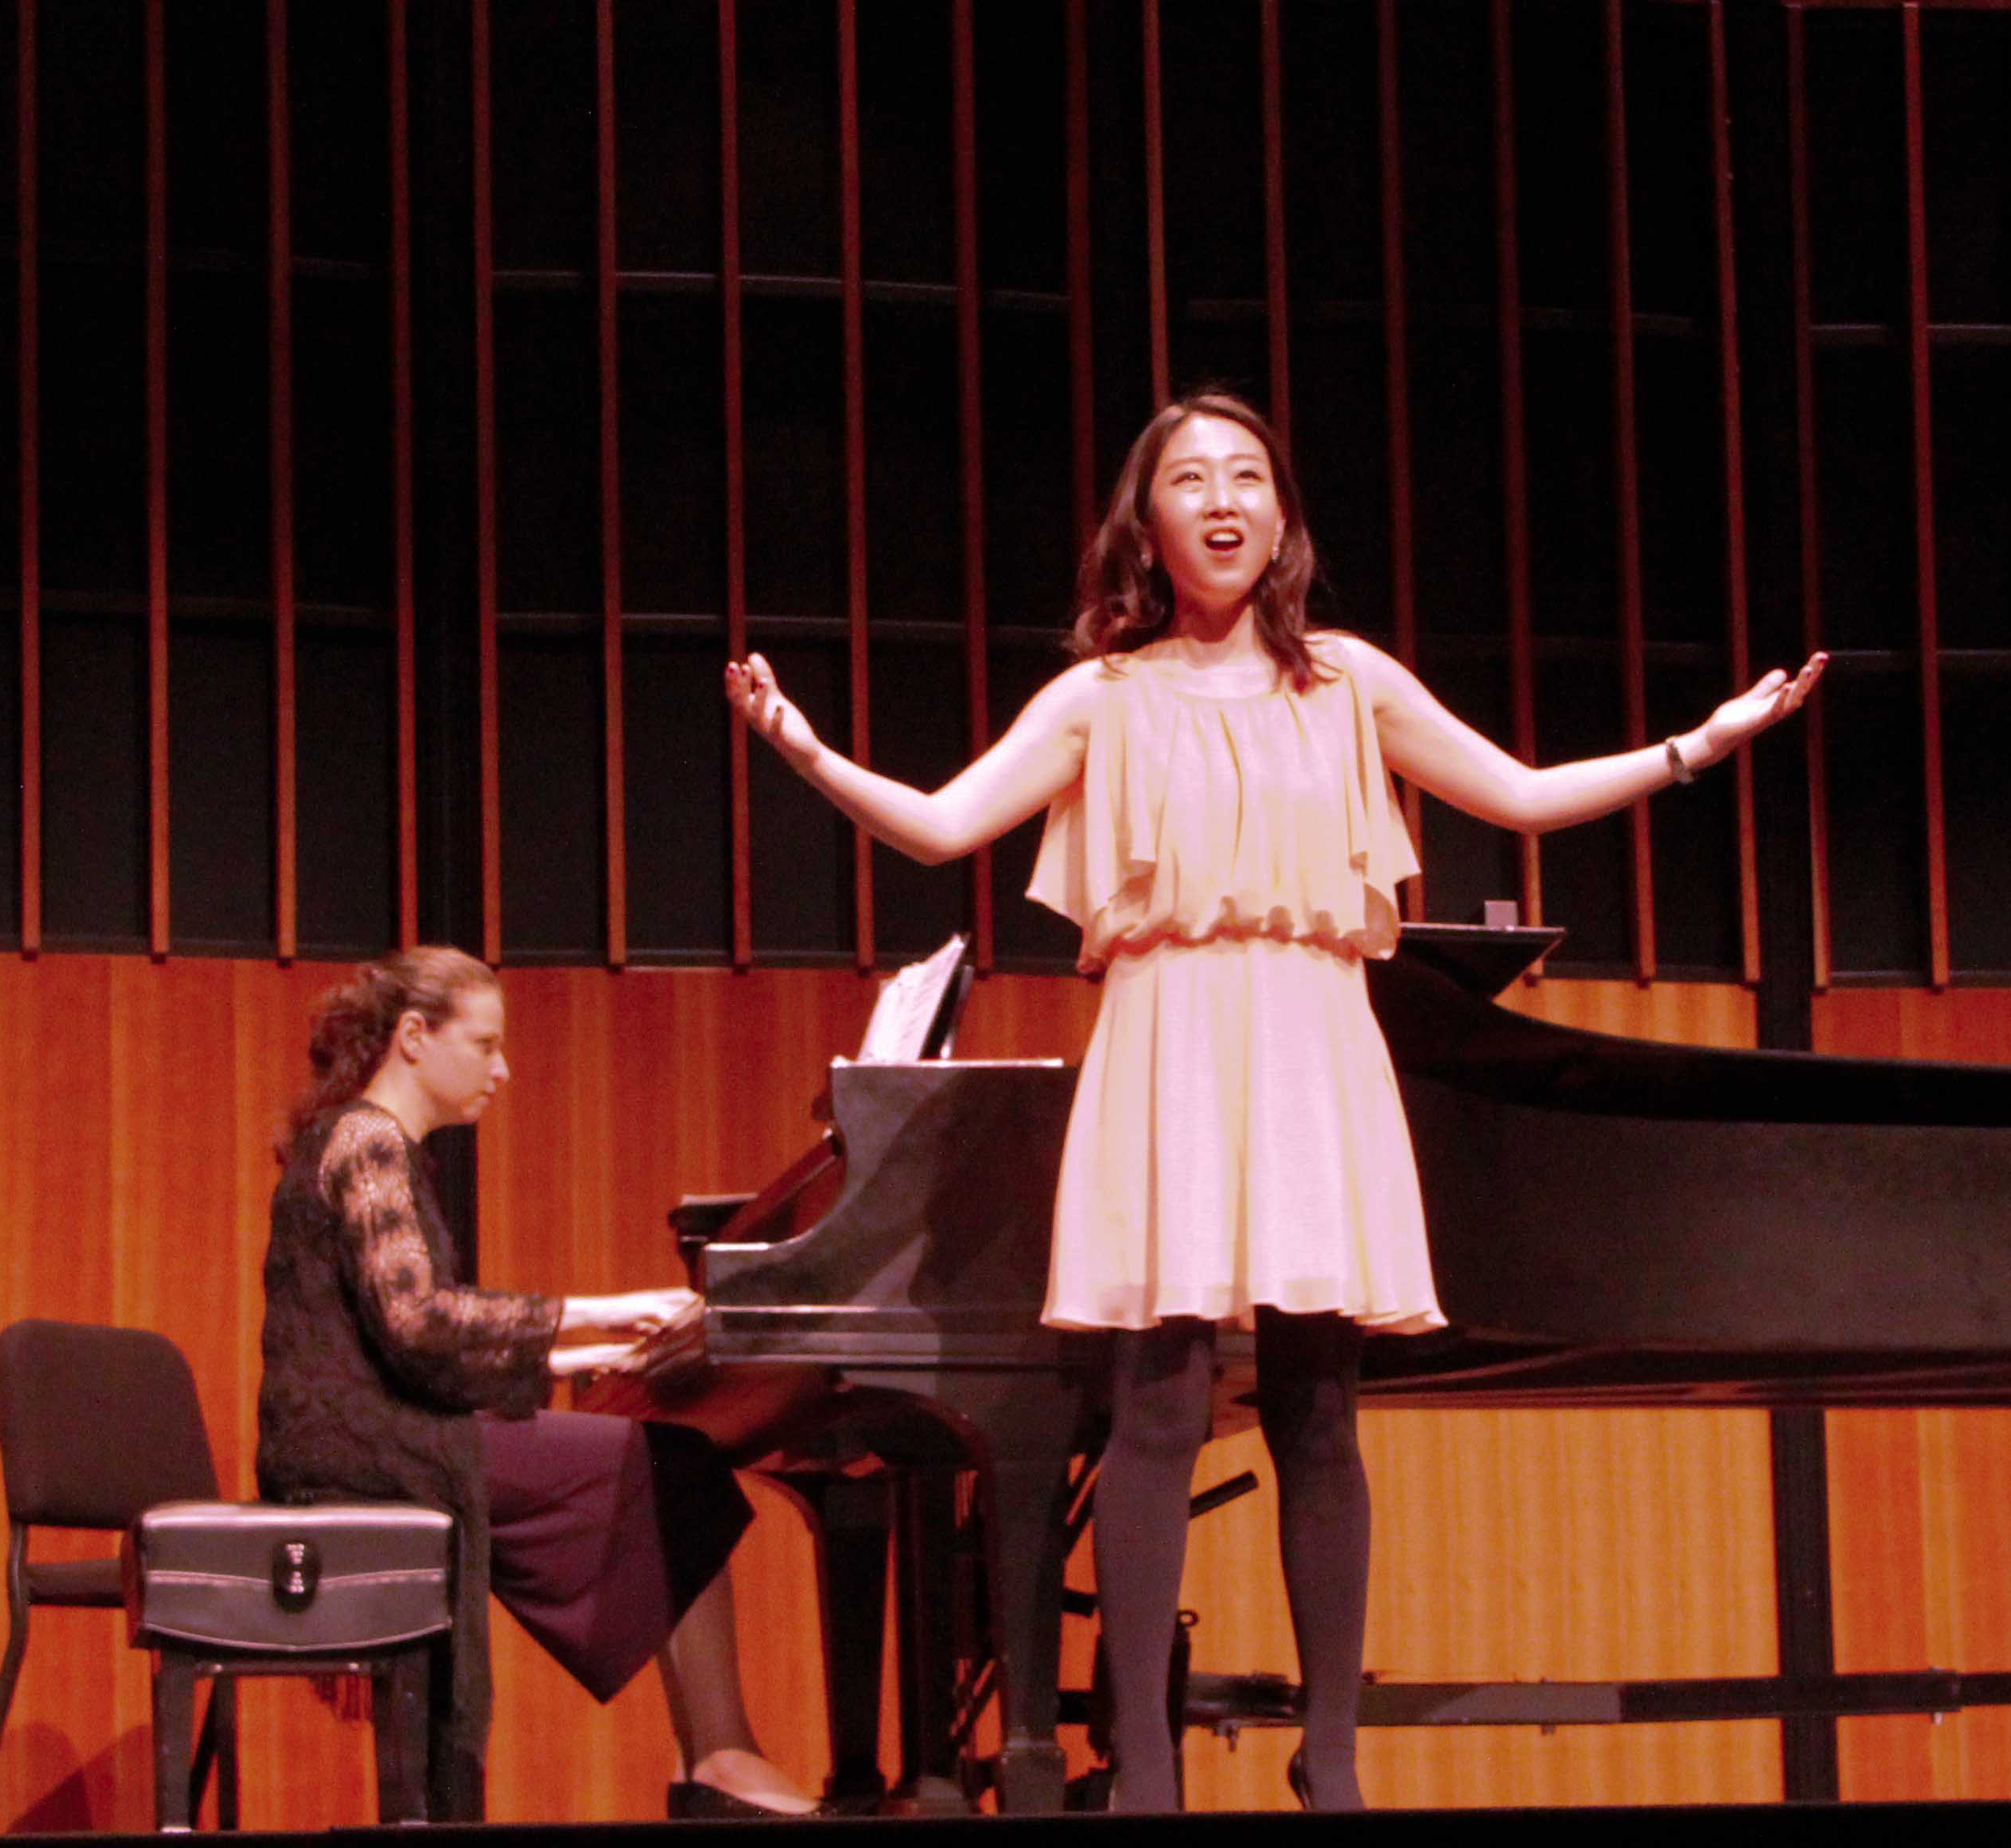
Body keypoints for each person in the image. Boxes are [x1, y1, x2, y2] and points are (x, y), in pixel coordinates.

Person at [726, 392, 1822, 1812]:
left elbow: (1524, 794)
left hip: (1311, 1035)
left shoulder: (1348, 683)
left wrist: (1699, 745)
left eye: (1247, 476)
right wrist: (802, 748)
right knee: (1155, 1402)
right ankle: (1145, 1774)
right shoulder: (1099, 697)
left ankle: (1334, 1760)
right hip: (1170, 1036)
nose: (1222, 499)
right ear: (1150, 522)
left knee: (1318, 1403)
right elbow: (942, 823)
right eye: (1190, 479)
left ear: (1282, 520)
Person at [256, 947, 819, 1822]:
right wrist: (605, 1311)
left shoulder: (366, 1140)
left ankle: (716, 1752)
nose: (502, 1067)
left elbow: (405, 1335)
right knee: (676, 1466)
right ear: (413, 1037)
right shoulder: (367, 1139)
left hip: (365, 1431)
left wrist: (569, 1359)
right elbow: (419, 1323)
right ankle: (718, 1750)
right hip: (366, 1448)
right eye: (483, 1044)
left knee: (670, 1466)